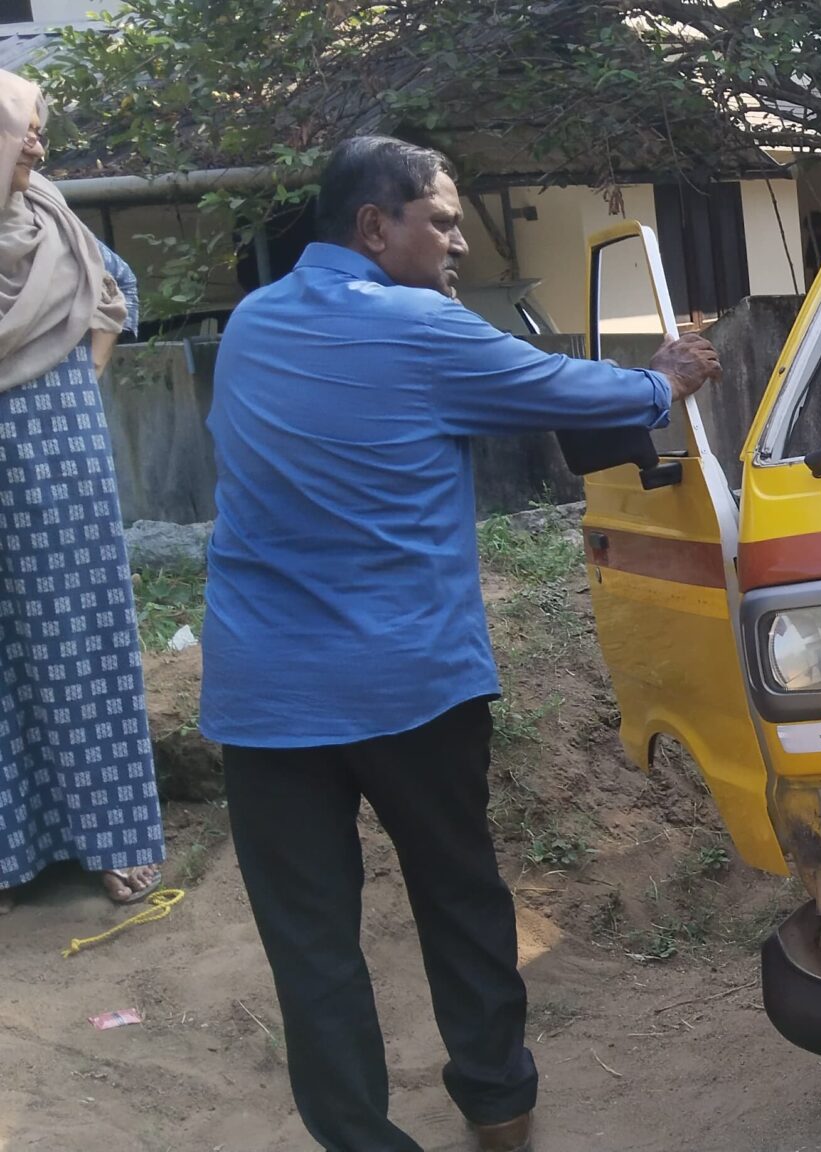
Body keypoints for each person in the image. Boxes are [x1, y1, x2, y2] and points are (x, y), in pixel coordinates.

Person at [203, 136, 719, 1152]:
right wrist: (664, 379)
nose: (458, 243)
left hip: (264, 697)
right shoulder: (422, 327)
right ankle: (497, 1106)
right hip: (409, 685)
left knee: (309, 945)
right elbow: (575, 393)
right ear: (373, 226)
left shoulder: (250, 325)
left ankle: (360, 1139)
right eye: (440, 222)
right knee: (459, 899)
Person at [0, 69, 164, 913]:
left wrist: (77, 383)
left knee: (79, 637)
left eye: (37, 124)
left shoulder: (52, 217)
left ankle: (112, 840)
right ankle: (10, 853)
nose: (37, 139)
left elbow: (116, 292)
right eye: (19, 125)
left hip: (62, 464)